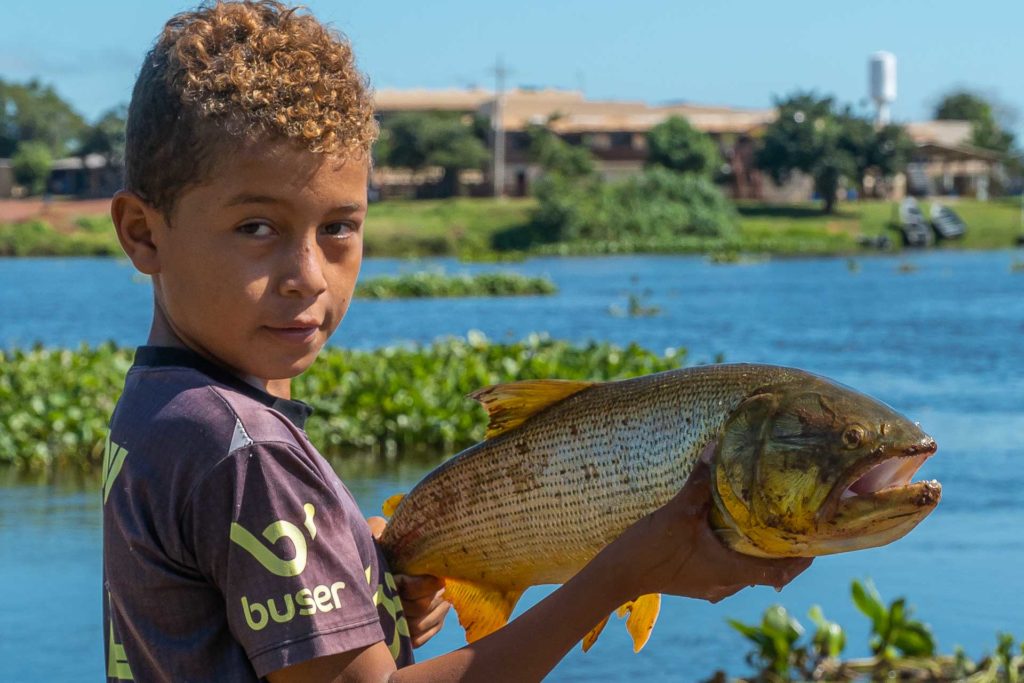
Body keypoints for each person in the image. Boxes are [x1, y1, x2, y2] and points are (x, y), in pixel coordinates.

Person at [104, 2, 811, 681]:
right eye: (257, 227)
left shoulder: (163, 410)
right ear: (142, 232)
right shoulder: (246, 451)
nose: (308, 276)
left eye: (339, 228)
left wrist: (367, 582)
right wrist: (618, 575)